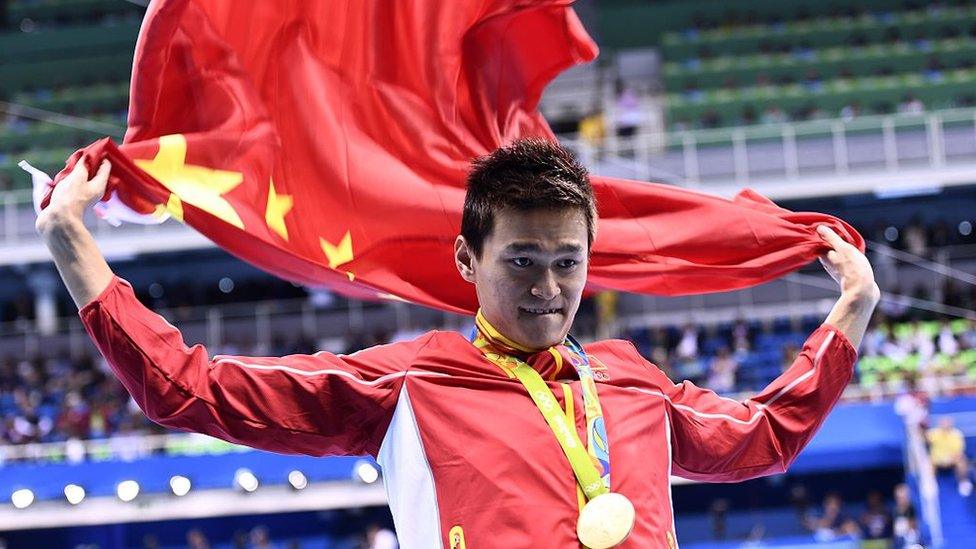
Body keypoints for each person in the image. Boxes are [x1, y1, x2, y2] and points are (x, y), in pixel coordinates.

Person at [35, 139, 879, 548]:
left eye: (566, 262)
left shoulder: (633, 381)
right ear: (467, 259)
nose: (547, 288)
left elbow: (763, 439)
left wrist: (851, 311)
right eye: (520, 260)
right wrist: (76, 248)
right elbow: (196, 389)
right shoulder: (409, 381)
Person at [926, 416, 973, 496]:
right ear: (940, 424)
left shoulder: (956, 434)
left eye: (947, 423)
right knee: (928, 462)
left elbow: (959, 452)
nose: (945, 425)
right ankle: (931, 485)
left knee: (962, 461)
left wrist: (950, 459)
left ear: (951, 424)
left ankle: (963, 483)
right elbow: (925, 439)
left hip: (952, 460)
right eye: (943, 423)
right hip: (937, 460)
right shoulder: (934, 433)